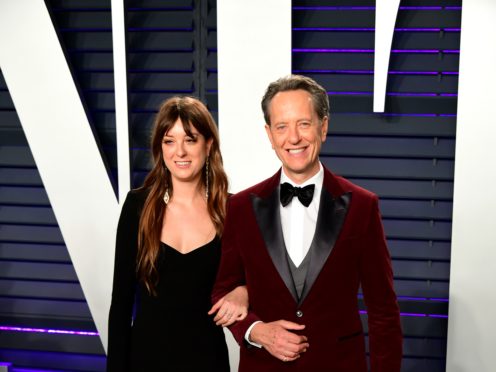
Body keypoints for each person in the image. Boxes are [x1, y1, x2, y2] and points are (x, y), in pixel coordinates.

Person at [212, 75, 403, 371]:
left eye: (304, 123)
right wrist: (255, 331)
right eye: (282, 127)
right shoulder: (240, 207)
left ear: (323, 127)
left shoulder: (363, 207)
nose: (294, 138)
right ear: (269, 134)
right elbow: (222, 292)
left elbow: (383, 312)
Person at [107, 96, 248, 372]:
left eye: (190, 139)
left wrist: (244, 291)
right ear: (160, 148)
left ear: (208, 145)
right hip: (145, 362)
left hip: (208, 361)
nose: (179, 152)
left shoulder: (232, 210)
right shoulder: (137, 206)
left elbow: (260, 280)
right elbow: (121, 304)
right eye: (169, 140)